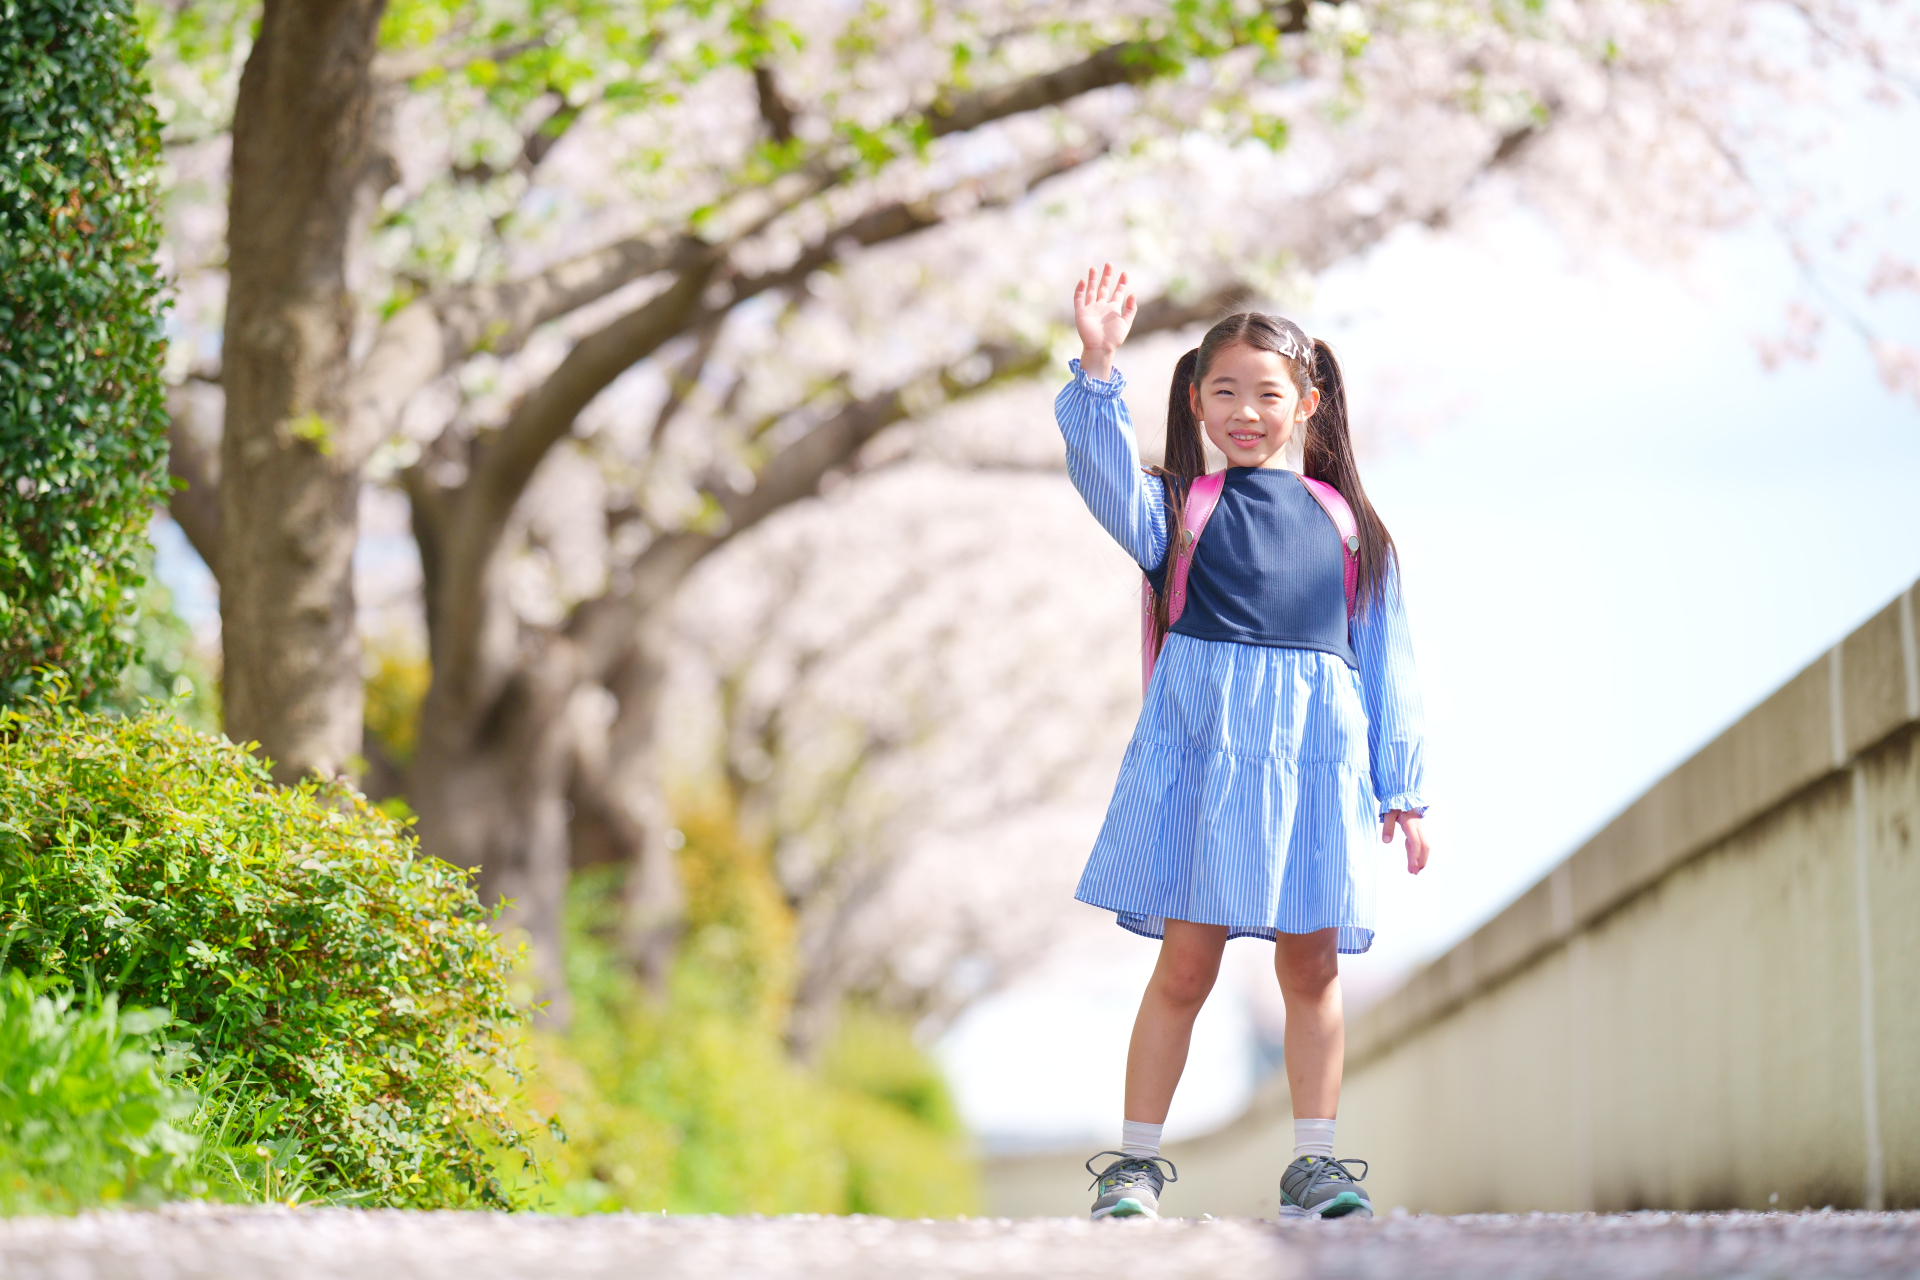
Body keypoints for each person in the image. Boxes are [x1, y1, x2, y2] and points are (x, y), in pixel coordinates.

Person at [1059, 264, 1431, 1222]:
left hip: (1315, 765)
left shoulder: (1353, 529)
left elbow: (1388, 663)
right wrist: (1100, 365)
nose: (1246, 411)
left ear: (1308, 402)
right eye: (1223, 391)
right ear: (1194, 398)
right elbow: (1103, 478)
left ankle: (1315, 1164)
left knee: (1311, 970)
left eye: (1268, 393)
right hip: (1208, 762)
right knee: (1187, 964)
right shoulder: (1179, 511)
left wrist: (1406, 789)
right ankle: (1133, 1166)